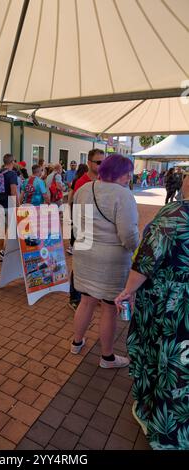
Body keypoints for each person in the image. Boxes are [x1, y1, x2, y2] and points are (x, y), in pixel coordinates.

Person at [115, 172, 189, 450]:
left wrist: (128, 290)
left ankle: (161, 423)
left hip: (172, 302)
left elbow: (148, 257)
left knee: (167, 358)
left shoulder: (176, 213)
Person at [71, 154, 139, 369]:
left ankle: (76, 342)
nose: (130, 177)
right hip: (111, 261)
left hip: (84, 254)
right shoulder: (123, 195)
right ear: (119, 173)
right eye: (128, 172)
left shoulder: (83, 190)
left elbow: (76, 226)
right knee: (109, 307)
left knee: (86, 300)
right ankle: (107, 357)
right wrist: (136, 248)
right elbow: (128, 235)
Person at [68, 149, 105, 311]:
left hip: (98, 230)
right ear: (89, 163)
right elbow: (74, 206)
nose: (102, 165)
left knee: (96, 262)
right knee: (79, 264)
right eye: (99, 162)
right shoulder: (81, 181)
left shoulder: (104, 181)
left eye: (104, 162)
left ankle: (92, 295)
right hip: (81, 229)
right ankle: (74, 297)